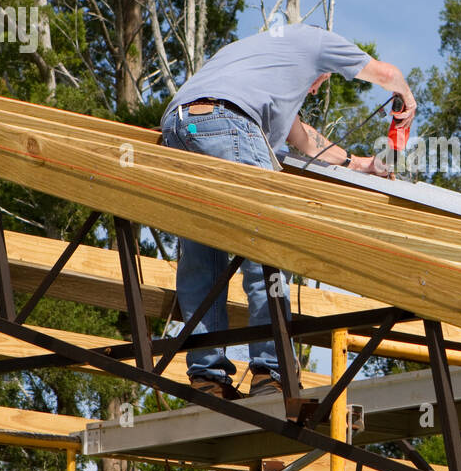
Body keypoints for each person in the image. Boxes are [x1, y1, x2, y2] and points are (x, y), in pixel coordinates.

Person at [159, 23, 416, 397]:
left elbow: (306, 141)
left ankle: (207, 379)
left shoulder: (252, 61)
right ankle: (271, 371)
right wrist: (405, 98)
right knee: (265, 250)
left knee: (202, 259)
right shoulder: (315, 41)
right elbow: (387, 74)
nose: (313, 88)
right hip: (230, 123)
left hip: (179, 129)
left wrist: (361, 164)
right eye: (320, 81)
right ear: (322, 66)